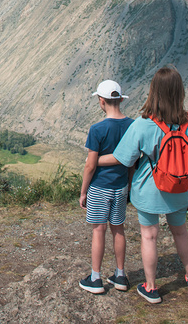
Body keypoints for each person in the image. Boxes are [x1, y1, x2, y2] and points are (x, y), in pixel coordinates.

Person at [98, 66, 188, 304]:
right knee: (180, 231)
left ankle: (151, 287)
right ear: (180, 92)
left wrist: (94, 159)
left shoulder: (144, 124)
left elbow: (122, 157)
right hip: (180, 190)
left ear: (153, 92)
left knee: (149, 236)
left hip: (148, 191)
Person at [78, 80, 134, 294]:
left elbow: (91, 165)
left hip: (99, 187)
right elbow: (132, 160)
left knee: (98, 231)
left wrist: (83, 192)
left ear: (101, 101)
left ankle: (95, 278)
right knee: (118, 229)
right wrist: (128, 186)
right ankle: (120, 275)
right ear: (120, 100)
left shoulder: (97, 129)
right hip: (120, 187)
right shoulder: (132, 125)